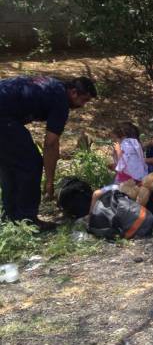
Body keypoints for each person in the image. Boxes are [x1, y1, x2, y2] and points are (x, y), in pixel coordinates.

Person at [0, 76, 96, 230]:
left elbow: (52, 142)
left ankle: (11, 216)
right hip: (4, 118)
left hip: (6, 114)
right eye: (83, 100)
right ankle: (27, 220)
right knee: (30, 163)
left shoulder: (53, 87)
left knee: (10, 164)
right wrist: (49, 181)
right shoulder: (60, 100)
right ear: (73, 92)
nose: (82, 105)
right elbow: (50, 144)